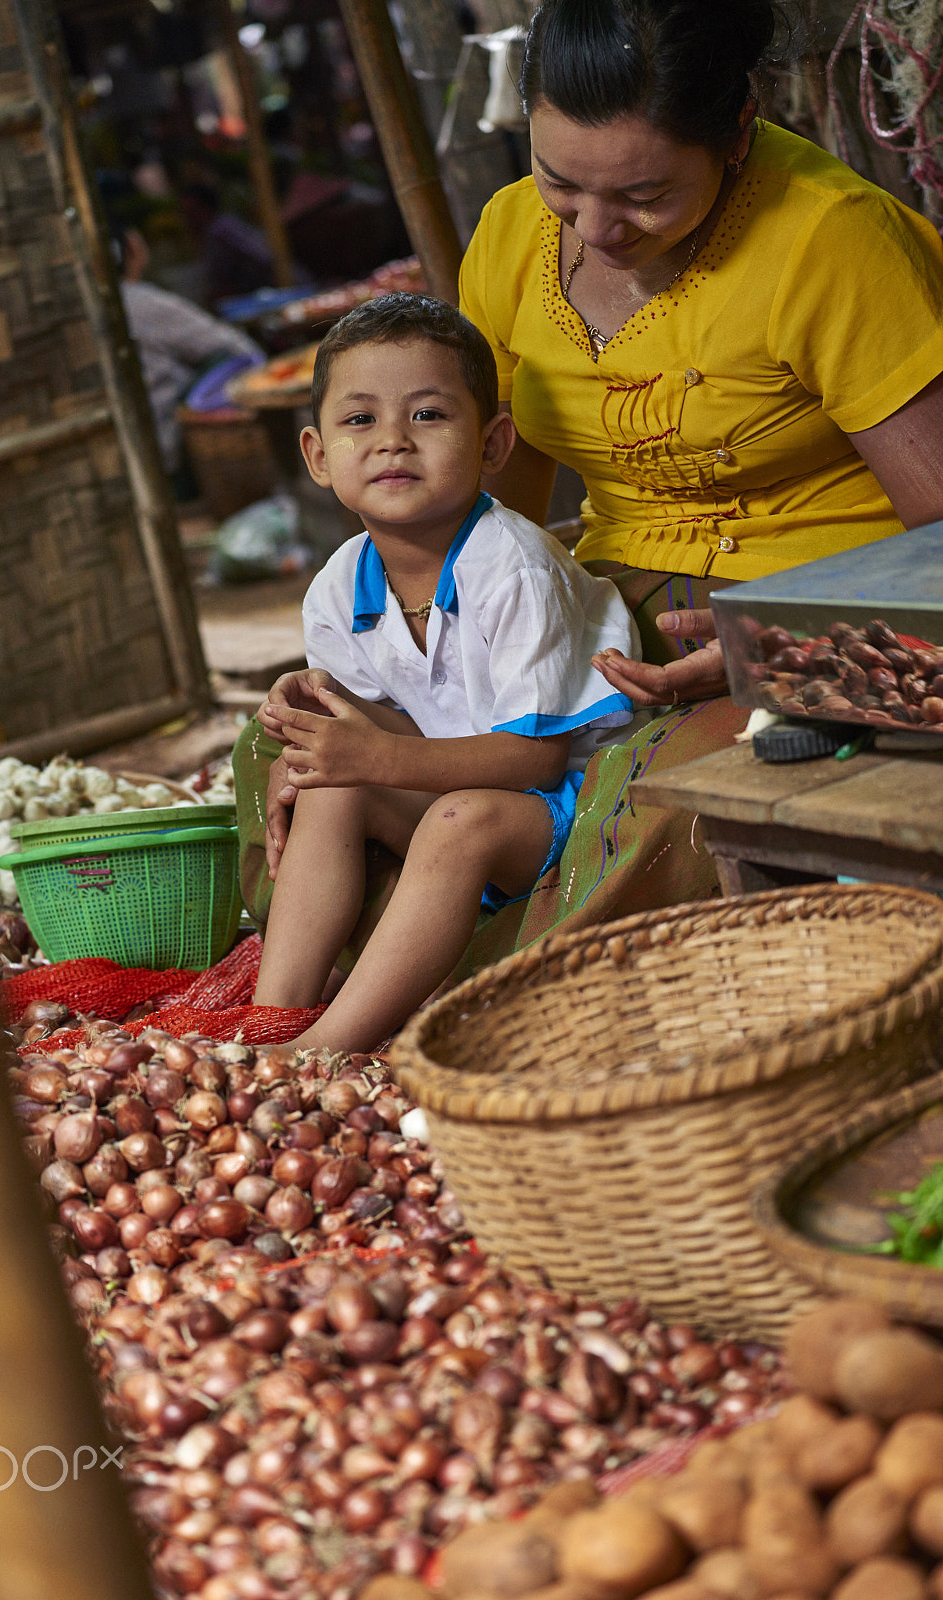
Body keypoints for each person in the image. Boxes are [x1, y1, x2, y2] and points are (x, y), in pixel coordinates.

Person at [234, 0, 943, 998]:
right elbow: (482, 514)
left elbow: (941, 541)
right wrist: (370, 696)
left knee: (670, 793)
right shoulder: (512, 236)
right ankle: (341, 1008)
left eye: (646, 194)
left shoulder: (834, 242)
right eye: (560, 182)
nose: (597, 229)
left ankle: (531, 999)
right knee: (293, 738)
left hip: (815, 613)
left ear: (736, 136)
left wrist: (779, 646)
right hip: (605, 607)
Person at [249, 293, 639, 1051]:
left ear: (493, 443)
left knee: (462, 821)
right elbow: (365, 725)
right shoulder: (337, 587)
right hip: (445, 787)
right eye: (359, 419)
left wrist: (378, 755)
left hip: (562, 813)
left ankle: (323, 1052)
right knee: (333, 786)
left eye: (428, 415)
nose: (392, 441)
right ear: (319, 455)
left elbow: (537, 760)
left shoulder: (514, 567)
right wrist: (307, 755)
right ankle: (272, 1020)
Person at [114, 225, 264, 481]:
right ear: (132, 248)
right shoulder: (137, 301)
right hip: (172, 450)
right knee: (233, 359)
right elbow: (238, 347)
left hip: (131, 457)